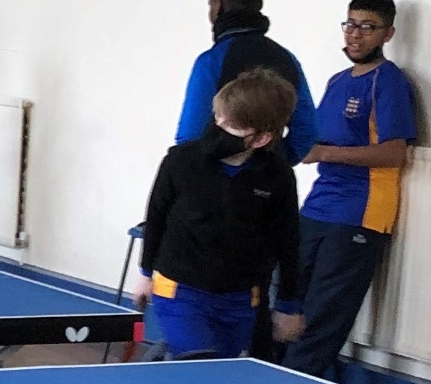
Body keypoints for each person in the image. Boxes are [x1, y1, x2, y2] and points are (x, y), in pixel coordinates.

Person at [282, 0, 417, 378]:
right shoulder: (337, 81)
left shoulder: (387, 82)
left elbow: (394, 153)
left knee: (323, 316)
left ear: (388, 34)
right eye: (351, 24)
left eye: (368, 27)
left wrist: (324, 154)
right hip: (317, 206)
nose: (356, 35)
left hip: (360, 212)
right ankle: (270, 378)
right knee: (288, 303)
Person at [132, 69, 307, 359]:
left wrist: (288, 305)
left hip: (239, 299)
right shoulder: (181, 161)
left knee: (221, 374)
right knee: (198, 363)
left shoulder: (277, 177)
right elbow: (157, 217)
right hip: (179, 288)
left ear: (261, 139)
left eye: (232, 125)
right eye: (218, 117)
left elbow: (288, 242)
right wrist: (145, 273)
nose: (219, 126)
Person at [174, 0, 318, 164]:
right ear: (259, 4)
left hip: (214, 185)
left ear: (218, 5)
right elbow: (307, 131)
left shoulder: (211, 61)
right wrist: (273, 163)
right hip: (269, 186)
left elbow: (189, 138)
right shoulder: (287, 59)